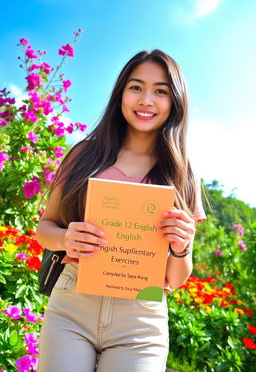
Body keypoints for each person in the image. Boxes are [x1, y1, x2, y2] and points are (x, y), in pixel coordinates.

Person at [36, 49, 206, 372]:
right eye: (136, 87)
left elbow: (177, 277)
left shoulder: (182, 174)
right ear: (121, 94)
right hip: (73, 305)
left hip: (141, 320)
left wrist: (181, 247)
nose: (146, 100)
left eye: (160, 91)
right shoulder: (85, 155)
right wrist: (66, 238)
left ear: (175, 102)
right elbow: (45, 227)